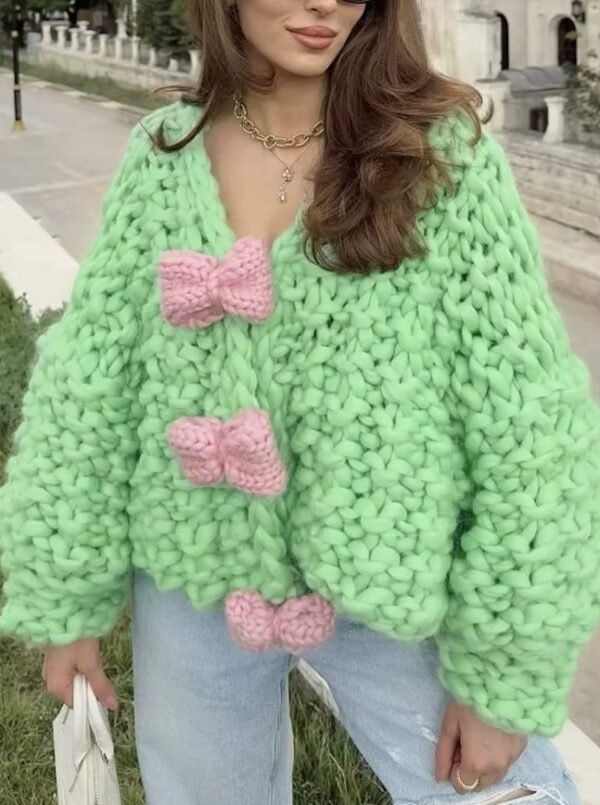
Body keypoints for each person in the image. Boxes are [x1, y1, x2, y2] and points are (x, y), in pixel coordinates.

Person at [1, 0, 598, 802]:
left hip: (384, 585)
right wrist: (66, 599)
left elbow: (531, 427)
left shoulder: (439, 160)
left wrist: (505, 672)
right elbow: (91, 384)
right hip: (193, 579)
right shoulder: (164, 155)